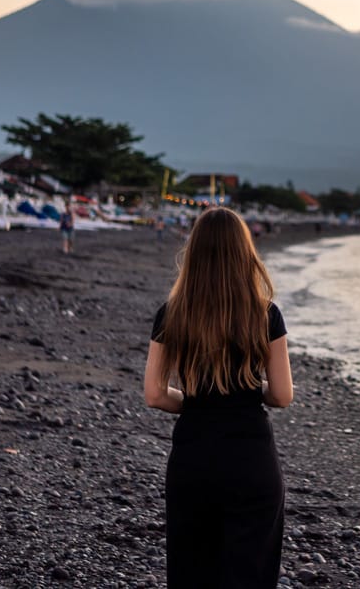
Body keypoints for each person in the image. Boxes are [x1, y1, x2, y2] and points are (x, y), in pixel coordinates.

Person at [144, 207, 294, 588]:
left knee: (192, 575)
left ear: (194, 253)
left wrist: (197, 401)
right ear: (245, 253)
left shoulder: (172, 313)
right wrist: (246, 393)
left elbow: (155, 394)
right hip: (251, 461)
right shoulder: (266, 314)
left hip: (193, 460)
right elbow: (281, 395)